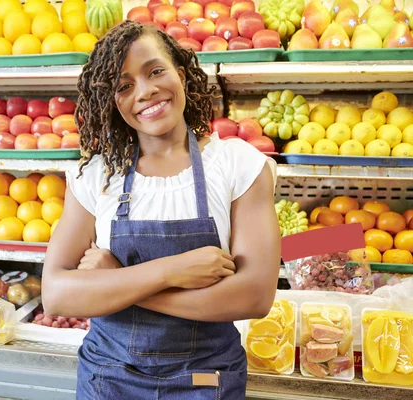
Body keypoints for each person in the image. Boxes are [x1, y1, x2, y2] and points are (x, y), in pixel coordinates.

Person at [42, 20, 280, 400]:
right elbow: (56, 294)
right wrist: (174, 270)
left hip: (206, 380)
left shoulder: (238, 165)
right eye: (124, 86)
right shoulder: (97, 175)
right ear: (112, 101)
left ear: (181, 75)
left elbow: (253, 296)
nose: (145, 91)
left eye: (155, 71)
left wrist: (117, 281)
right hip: (109, 378)